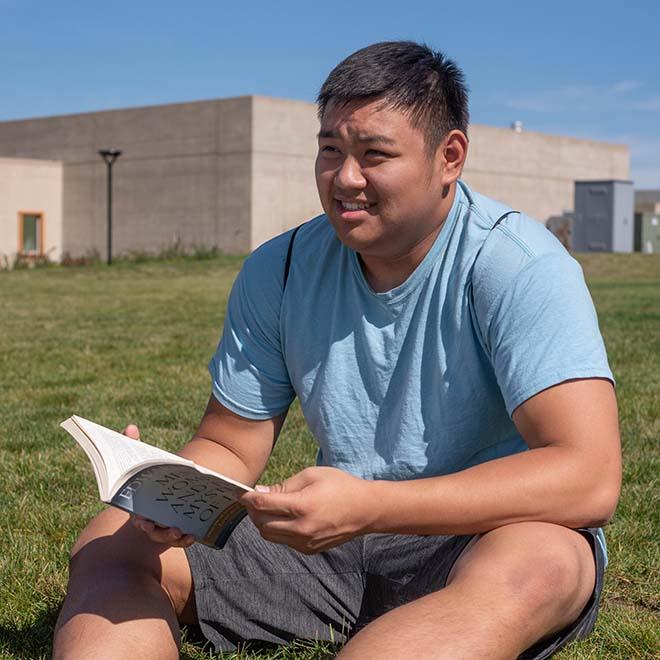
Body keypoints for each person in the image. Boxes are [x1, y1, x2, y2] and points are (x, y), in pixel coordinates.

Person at [53, 41, 621, 660]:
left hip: (485, 536)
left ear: (449, 156)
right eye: (330, 151)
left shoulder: (517, 265)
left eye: (375, 155)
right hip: (328, 546)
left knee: (543, 564)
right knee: (112, 547)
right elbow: (231, 442)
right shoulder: (283, 267)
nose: (345, 179)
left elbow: (587, 475)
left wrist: (373, 505)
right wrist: (174, 492)